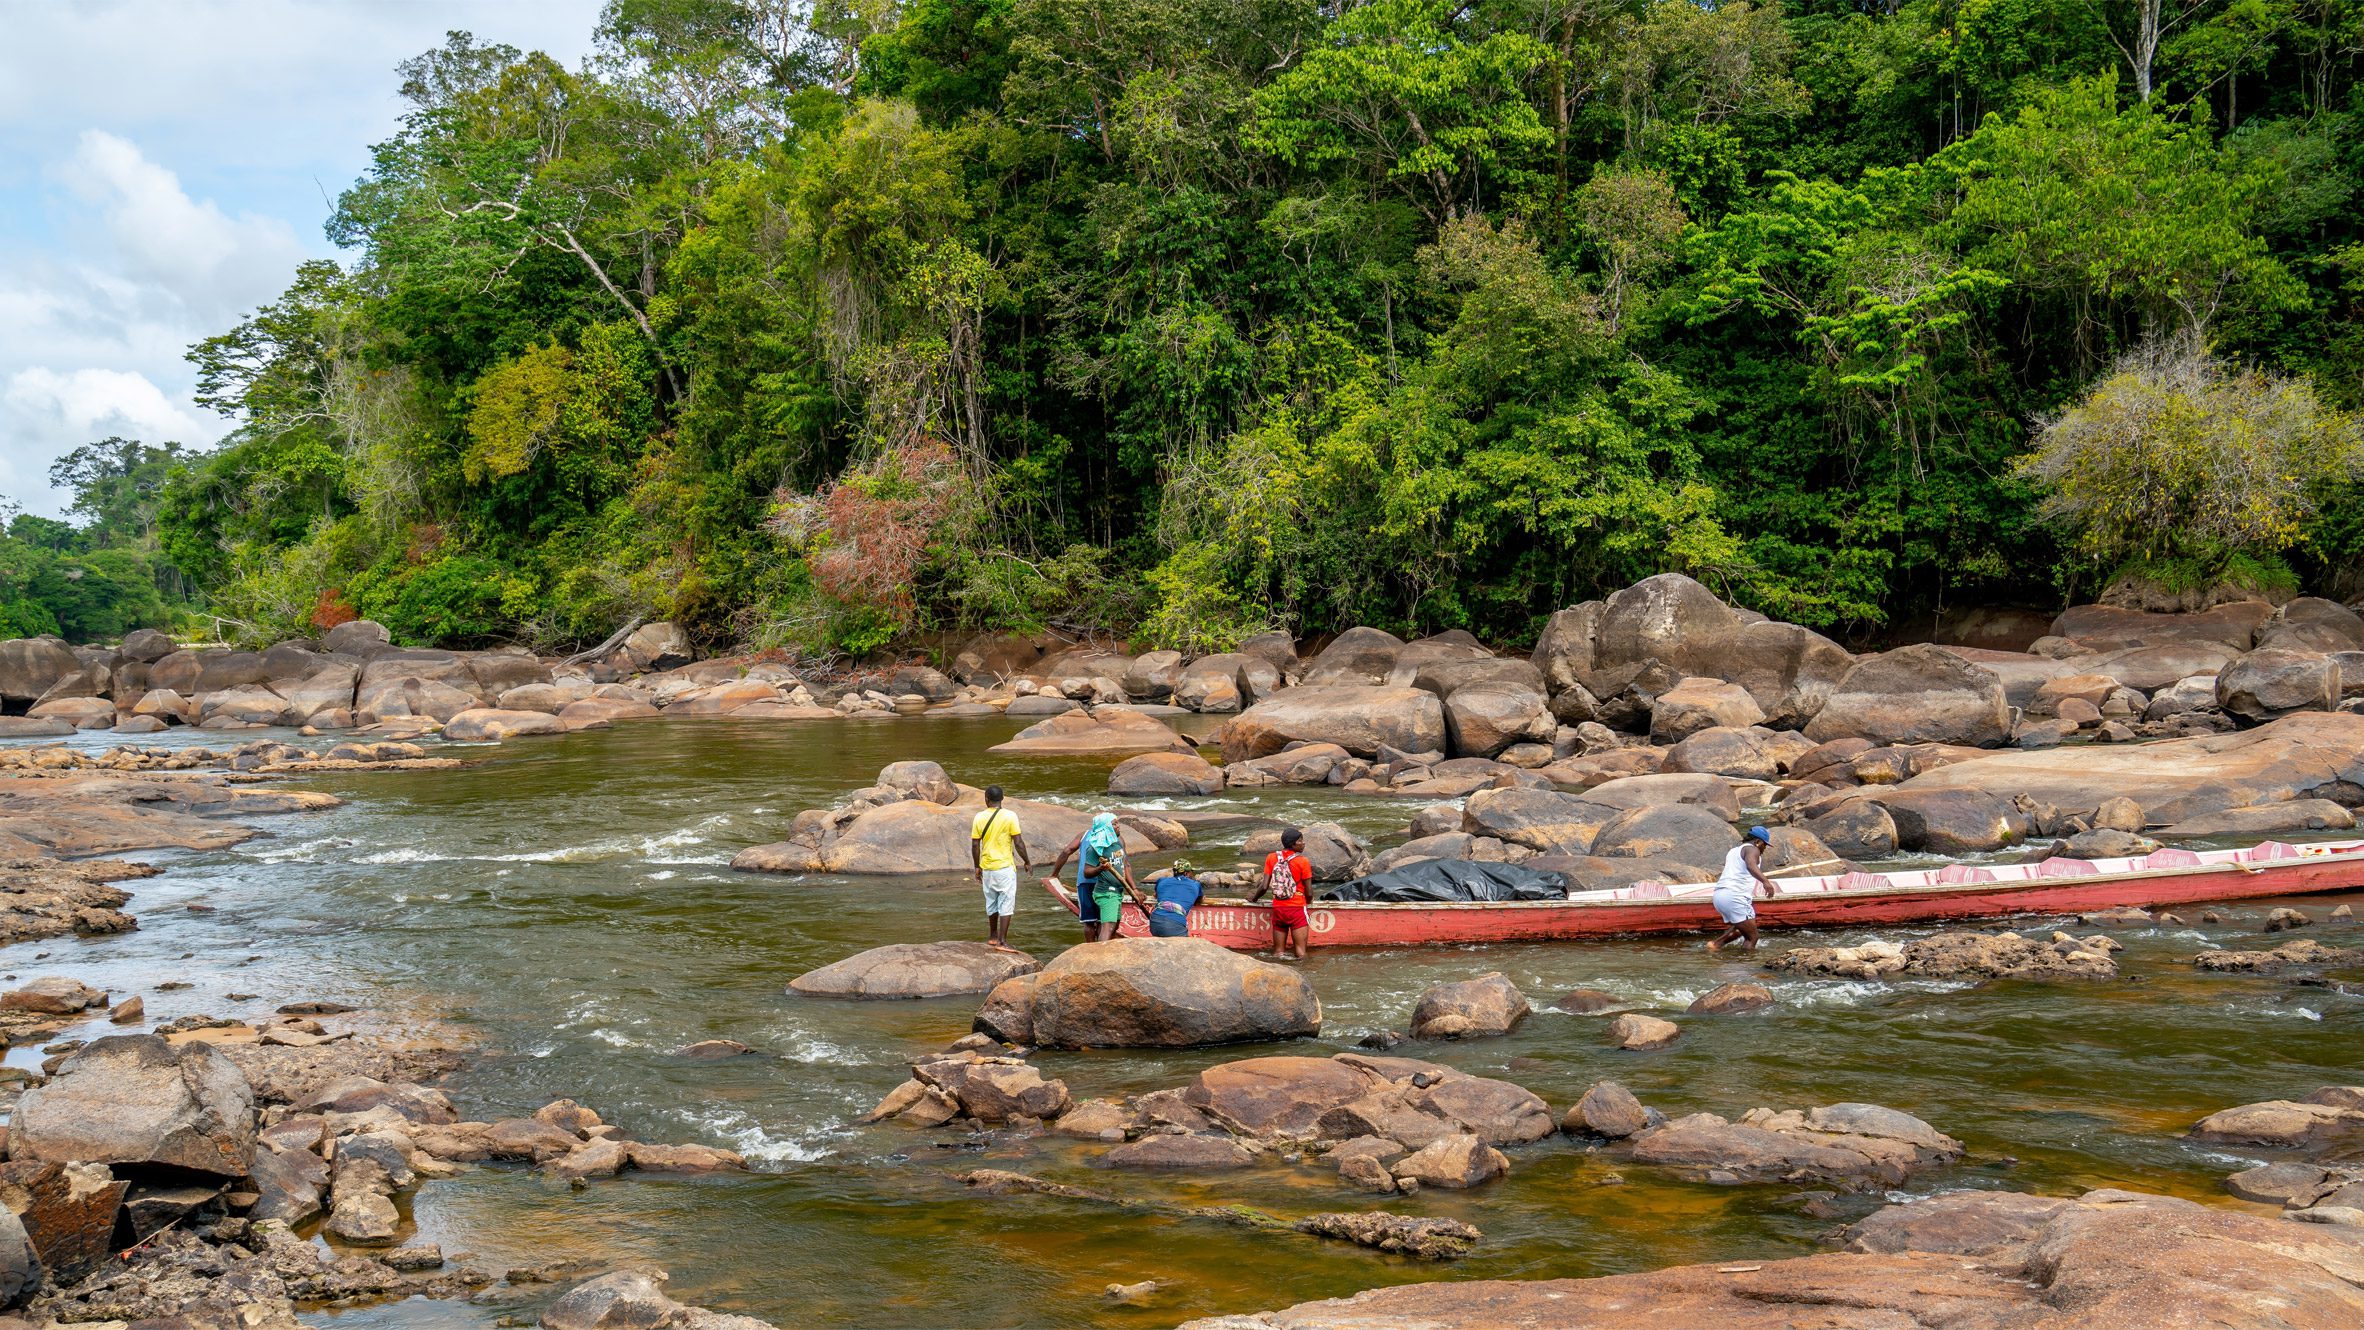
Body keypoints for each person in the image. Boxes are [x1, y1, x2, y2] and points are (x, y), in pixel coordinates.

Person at [1044, 813, 1147, 942]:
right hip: (1097, 883)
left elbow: (1067, 851)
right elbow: (1124, 865)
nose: (1118, 826)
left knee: (1094, 922)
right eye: (1114, 823)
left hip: (1096, 884)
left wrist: (1055, 873)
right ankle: (1094, 950)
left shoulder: (1093, 836)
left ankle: (1096, 947)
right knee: (1102, 923)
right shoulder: (1096, 844)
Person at [968, 785, 1029, 952]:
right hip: (1004, 867)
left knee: (991, 901)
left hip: (987, 867)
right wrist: (1027, 861)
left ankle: (993, 936)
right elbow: (1018, 842)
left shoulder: (979, 817)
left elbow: (975, 844)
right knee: (1006, 902)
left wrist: (976, 866)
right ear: (1002, 799)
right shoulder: (1010, 816)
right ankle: (1002, 941)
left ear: (986, 799)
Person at [1708, 825, 1780, 952]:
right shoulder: (1753, 849)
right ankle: (1745, 969)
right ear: (1758, 842)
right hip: (1735, 896)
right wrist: (1765, 882)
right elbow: (1751, 866)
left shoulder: (1733, 851)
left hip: (1720, 895)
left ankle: (1715, 945)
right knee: (1753, 937)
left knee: (1742, 928)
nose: (1764, 849)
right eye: (1764, 845)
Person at [1248, 828, 1313, 960]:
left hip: (1279, 908)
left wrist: (1254, 898)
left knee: (1278, 953)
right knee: (1300, 953)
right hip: (1297, 909)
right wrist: (1309, 901)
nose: (1303, 843)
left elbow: (1264, 886)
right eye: (1300, 840)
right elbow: (1309, 892)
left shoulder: (1272, 858)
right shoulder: (1303, 861)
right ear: (1293, 844)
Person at [1145, 858, 1204, 938]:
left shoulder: (1161, 881)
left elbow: (1156, 895)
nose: (1192, 875)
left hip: (1155, 921)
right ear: (1186, 873)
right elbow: (1198, 901)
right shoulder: (1196, 884)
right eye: (1191, 872)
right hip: (1174, 923)